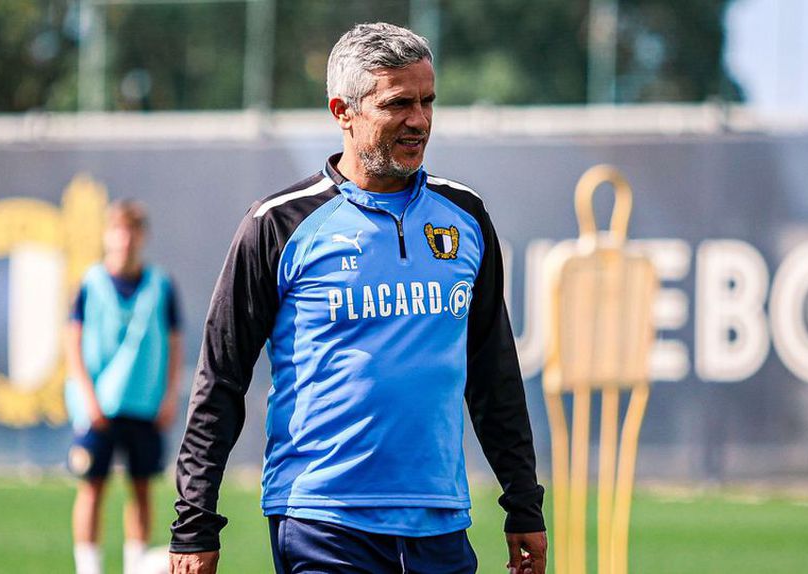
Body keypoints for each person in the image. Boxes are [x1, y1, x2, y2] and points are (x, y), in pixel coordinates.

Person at [170, 22, 547, 574]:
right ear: (342, 111)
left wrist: (523, 503)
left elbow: (494, 374)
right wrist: (194, 524)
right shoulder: (277, 224)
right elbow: (221, 380)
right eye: (398, 104)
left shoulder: (465, 216)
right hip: (322, 521)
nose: (419, 120)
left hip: (441, 522)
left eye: (427, 101)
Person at [65, 200, 183, 574]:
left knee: (142, 487)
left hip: (143, 402)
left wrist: (169, 395)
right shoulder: (90, 283)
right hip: (98, 405)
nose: (125, 239)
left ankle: (136, 565)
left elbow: (174, 343)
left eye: (131, 230)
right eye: (118, 230)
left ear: (142, 236)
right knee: (92, 486)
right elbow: (72, 343)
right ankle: (88, 567)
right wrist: (87, 397)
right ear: (107, 235)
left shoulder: (161, 285)